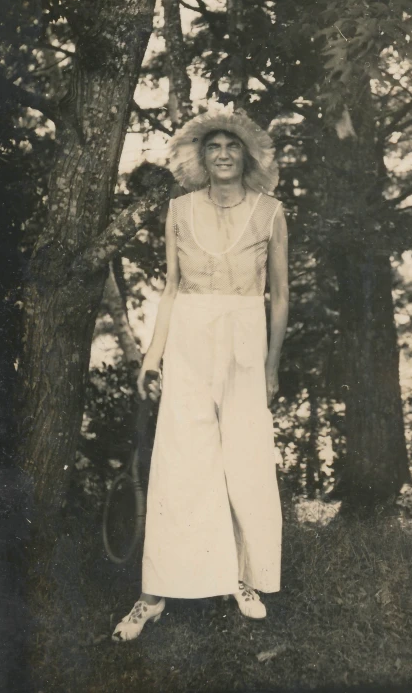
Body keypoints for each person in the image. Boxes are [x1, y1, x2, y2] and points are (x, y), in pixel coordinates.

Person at [112, 106, 289, 641]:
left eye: (232, 147)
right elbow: (171, 288)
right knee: (180, 461)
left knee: (245, 460)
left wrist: (272, 365)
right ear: (201, 159)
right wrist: (152, 356)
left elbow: (279, 296)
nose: (223, 155)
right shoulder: (180, 209)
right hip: (189, 337)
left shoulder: (271, 212)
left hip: (244, 338)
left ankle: (239, 578)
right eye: (213, 148)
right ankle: (153, 594)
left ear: (247, 155)